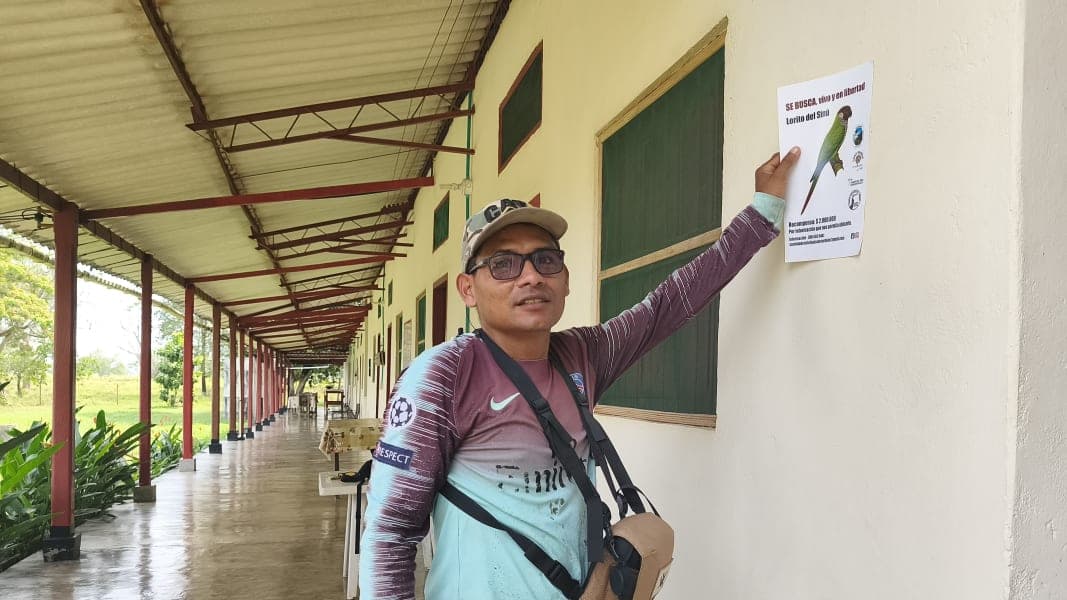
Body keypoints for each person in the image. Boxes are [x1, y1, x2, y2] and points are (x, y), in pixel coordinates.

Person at [360, 149, 801, 599]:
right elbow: (389, 534)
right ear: (468, 289)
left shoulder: (582, 355)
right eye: (504, 264)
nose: (531, 277)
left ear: (566, 279)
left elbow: (668, 305)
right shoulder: (443, 376)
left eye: (546, 260)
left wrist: (762, 213)